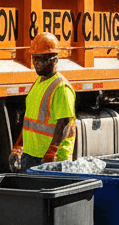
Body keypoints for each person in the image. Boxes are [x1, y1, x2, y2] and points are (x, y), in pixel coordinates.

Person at [8, 32, 77, 172]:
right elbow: (29, 121)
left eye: (41, 59)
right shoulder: (38, 83)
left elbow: (64, 124)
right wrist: (18, 147)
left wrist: (51, 153)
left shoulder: (61, 88)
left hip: (52, 159)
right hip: (32, 155)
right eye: (34, 58)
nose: (36, 63)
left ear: (54, 59)